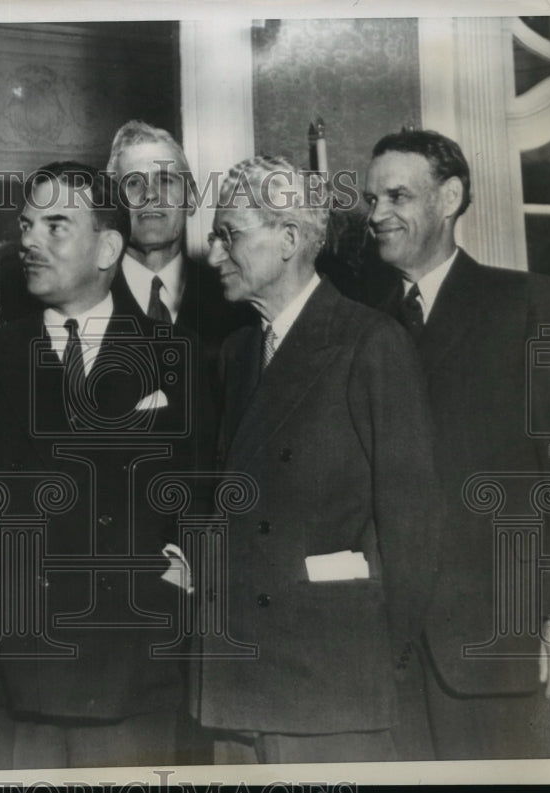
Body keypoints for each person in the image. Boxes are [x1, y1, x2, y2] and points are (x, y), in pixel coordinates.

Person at [0, 162, 208, 769]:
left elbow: (208, 489)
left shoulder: (177, 358)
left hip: (137, 666)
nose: (29, 241)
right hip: (14, 665)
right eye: (26, 225)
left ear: (107, 247)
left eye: (56, 226)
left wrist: (182, 586)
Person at [193, 155, 441, 763]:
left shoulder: (371, 343)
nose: (214, 253)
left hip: (331, 686)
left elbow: (413, 528)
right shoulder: (235, 352)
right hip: (236, 677)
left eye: (229, 235)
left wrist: (375, 660)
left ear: (289, 238)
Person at [362, 129, 550, 760]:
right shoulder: (361, 322)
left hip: (502, 647)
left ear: (450, 197)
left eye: (397, 195)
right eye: (371, 198)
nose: (377, 214)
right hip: (389, 649)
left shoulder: (529, 303)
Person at [106, 120, 250, 364]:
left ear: (191, 198)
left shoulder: (234, 298)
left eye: (165, 180)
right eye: (133, 183)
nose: (150, 194)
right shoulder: (86, 295)